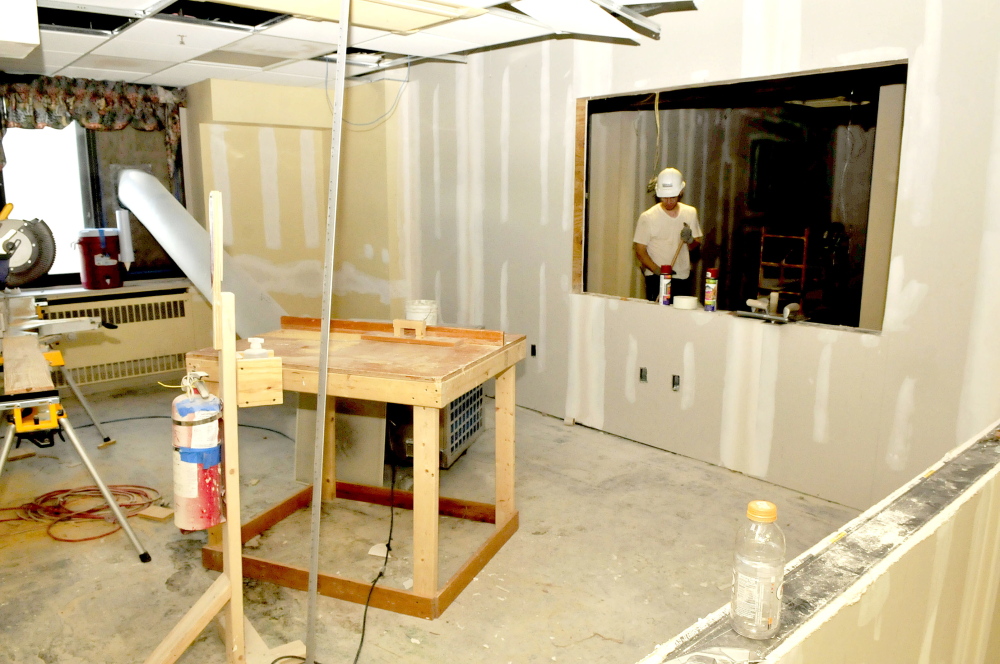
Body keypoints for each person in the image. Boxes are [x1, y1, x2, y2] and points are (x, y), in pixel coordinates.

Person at [633, 167, 703, 301]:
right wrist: (658, 271)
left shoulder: (690, 213)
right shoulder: (647, 217)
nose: (669, 201)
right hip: (656, 277)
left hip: (682, 277)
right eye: (664, 197)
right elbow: (640, 251)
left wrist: (690, 240)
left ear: (681, 192)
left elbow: (695, 246)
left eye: (673, 197)